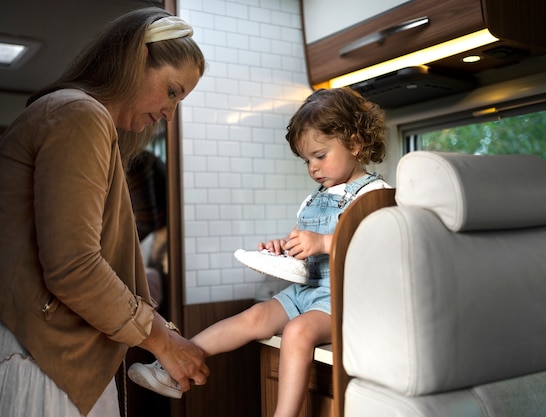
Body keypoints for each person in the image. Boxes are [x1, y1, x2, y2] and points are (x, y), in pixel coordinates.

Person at [0, 7, 209, 417]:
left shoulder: (68, 113)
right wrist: (163, 341)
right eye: (172, 91)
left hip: (23, 348)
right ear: (137, 59)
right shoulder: (81, 115)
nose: (169, 114)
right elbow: (73, 266)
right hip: (30, 356)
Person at [128, 87, 390, 416]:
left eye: (320, 155)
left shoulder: (376, 193)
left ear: (355, 143)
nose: (313, 167)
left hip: (345, 300)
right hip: (306, 292)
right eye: (306, 160)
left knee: (298, 332)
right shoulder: (315, 197)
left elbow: (380, 246)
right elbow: (305, 244)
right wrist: (284, 247)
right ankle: (171, 368)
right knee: (254, 317)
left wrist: (323, 243)